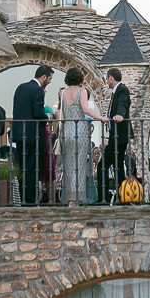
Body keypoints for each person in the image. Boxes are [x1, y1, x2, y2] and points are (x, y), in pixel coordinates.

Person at [55, 67, 104, 206]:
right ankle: (77, 199)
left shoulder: (63, 92)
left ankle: (70, 199)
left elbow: (60, 114)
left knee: (68, 166)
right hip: (80, 130)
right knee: (80, 166)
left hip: (67, 130)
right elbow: (85, 109)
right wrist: (100, 117)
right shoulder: (82, 91)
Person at [11, 66, 53, 206]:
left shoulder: (20, 88)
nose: (50, 81)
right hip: (33, 136)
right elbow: (37, 113)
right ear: (43, 77)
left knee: (21, 168)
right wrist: (47, 117)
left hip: (19, 135)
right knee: (33, 169)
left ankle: (22, 199)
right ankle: (30, 201)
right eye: (50, 78)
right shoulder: (38, 90)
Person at [102, 68, 132, 203]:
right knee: (118, 165)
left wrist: (120, 114)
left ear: (111, 78)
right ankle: (122, 196)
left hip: (119, 135)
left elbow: (123, 103)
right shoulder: (117, 90)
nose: (107, 81)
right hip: (117, 135)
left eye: (107, 79)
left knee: (103, 165)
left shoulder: (121, 89)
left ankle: (102, 198)